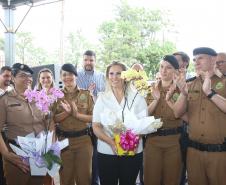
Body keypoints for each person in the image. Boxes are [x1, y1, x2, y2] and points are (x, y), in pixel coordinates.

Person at [174, 47, 226, 185]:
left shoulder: (224, 81)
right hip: (194, 152)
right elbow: (177, 113)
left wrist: (210, 92)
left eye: (201, 58)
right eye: (195, 59)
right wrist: (183, 93)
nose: (196, 62)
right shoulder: (190, 83)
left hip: (220, 153)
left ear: (213, 59)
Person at [93, 61, 145, 185]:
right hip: (107, 151)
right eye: (111, 73)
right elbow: (96, 126)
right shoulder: (102, 98)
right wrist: (111, 143)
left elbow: (143, 125)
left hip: (132, 151)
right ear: (107, 76)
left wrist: (132, 141)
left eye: (118, 73)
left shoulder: (138, 97)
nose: (114, 77)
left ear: (125, 76)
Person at [0, 63, 46, 185]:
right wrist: (6, 154)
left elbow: (48, 122)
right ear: (13, 79)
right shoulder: (5, 100)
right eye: (22, 75)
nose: (28, 79)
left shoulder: (39, 98)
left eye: (29, 76)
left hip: (38, 153)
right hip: (17, 156)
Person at [144, 55, 183, 185]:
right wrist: (156, 100)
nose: (163, 71)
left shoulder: (182, 90)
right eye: (161, 67)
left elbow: (179, 114)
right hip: (153, 141)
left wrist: (170, 97)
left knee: (172, 179)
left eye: (168, 68)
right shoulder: (149, 89)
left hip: (174, 141)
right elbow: (144, 115)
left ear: (176, 71)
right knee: (151, 179)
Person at [53, 63, 94, 185]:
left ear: (76, 76)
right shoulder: (56, 96)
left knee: (84, 177)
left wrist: (76, 115)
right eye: (64, 75)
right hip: (63, 142)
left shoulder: (86, 94)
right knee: (66, 178)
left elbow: (93, 118)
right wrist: (67, 113)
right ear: (61, 77)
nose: (67, 77)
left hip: (83, 141)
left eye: (70, 74)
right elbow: (53, 119)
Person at [77, 50, 105, 185]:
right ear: (83, 61)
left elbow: (105, 97)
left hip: (99, 122)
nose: (88, 62)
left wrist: (94, 95)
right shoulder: (76, 76)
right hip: (83, 124)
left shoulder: (101, 76)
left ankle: (96, 181)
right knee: (84, 160)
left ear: (95, 61)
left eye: (91, 60)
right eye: (86, 60)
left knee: (97, 156)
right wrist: (87, 93)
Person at [36, 68, 55, 185]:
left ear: (52, 78)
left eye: (48, 77)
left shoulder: (58, 94)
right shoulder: (34, 95)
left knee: (50, 168)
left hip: (52, 133)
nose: (46, 80)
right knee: (38, 168)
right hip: (38, 135)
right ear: (39, 79)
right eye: (43, 77)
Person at [0, 66, 12, 185]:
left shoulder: (11, 93)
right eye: (5, 76)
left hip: (9, 136)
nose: (8, 78)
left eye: (10, 76)